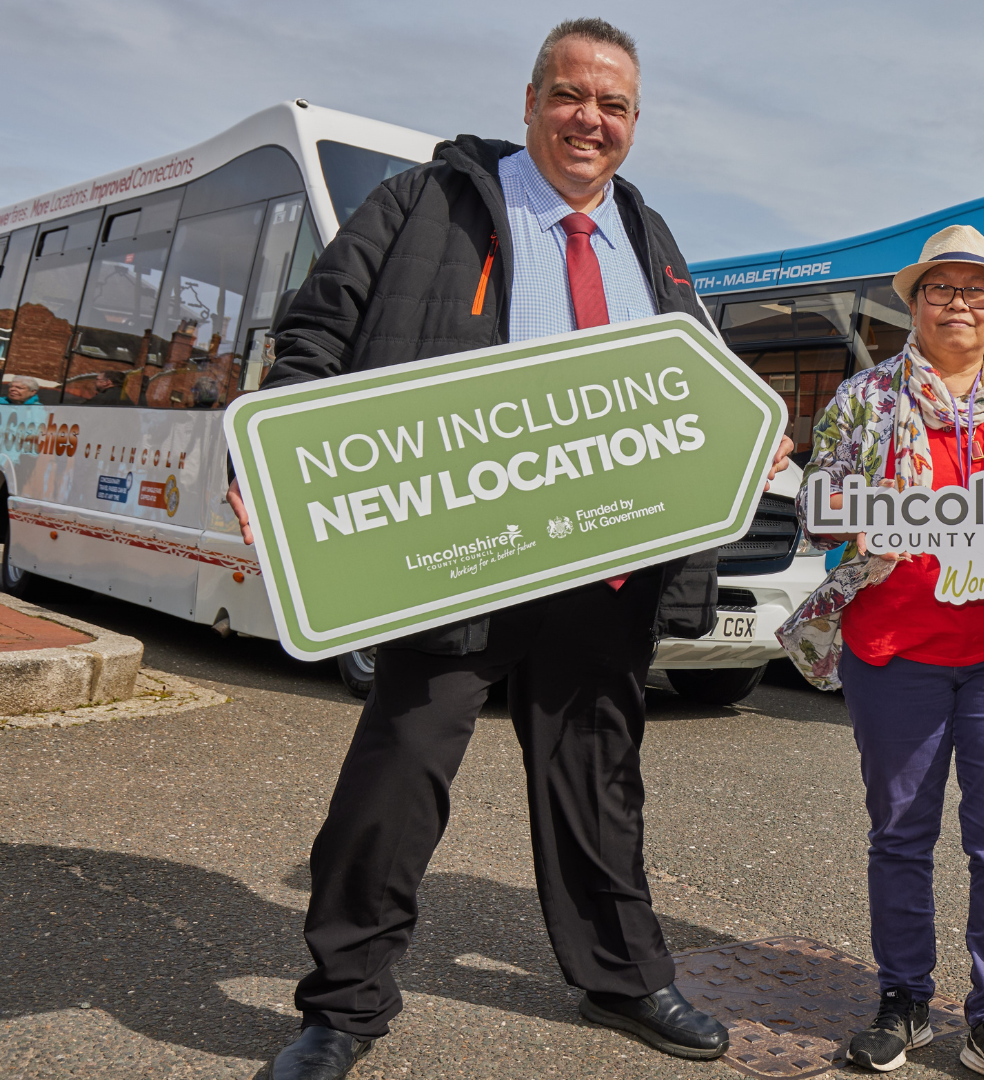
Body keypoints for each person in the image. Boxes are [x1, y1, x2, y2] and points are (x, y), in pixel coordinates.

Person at [227, 19, 791, 1080]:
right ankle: (341, 1010)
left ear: (634, 124)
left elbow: (694, 374)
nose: (591, 120)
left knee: (598, 781)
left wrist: (749, 436)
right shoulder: (425, 202)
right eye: (572, 97)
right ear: (531, 101)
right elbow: (316, 335)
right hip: (461, 547)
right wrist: (276, 452)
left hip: (608, 562)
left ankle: (623, 980)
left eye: (613, 106)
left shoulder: (649, 231)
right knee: (396, 775)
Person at [783, 225, 984, 1080]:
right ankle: (904, 1002)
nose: (959, 306)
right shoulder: (865, 398)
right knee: (899, 834)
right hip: (894, 651)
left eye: (977, 293)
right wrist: (864, 513)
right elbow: (819, 504)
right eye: (941, 290)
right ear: (914, 302)